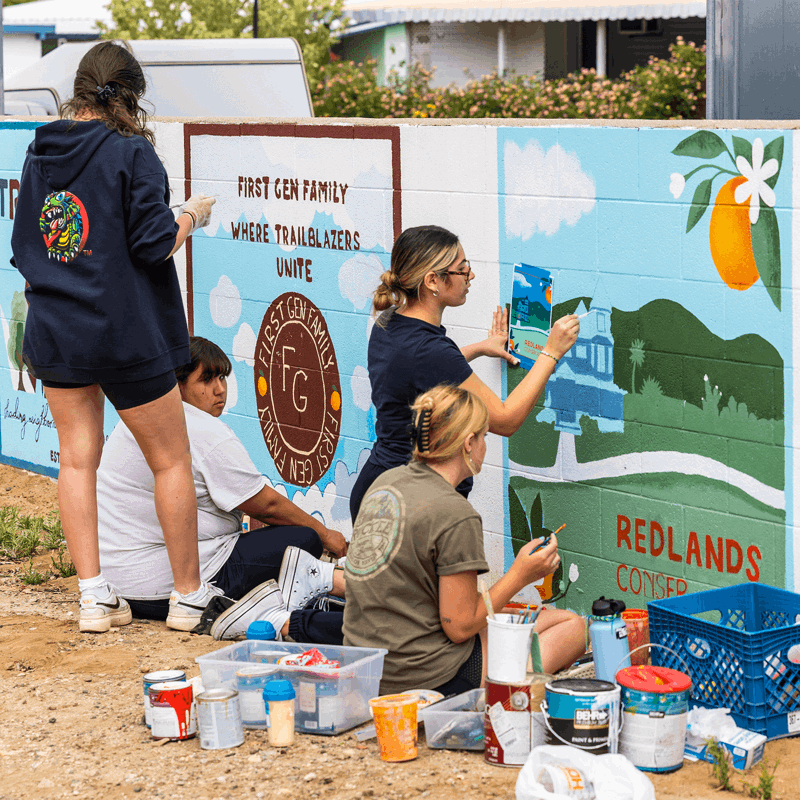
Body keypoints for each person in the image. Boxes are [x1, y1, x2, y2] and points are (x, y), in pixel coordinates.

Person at [10, 41, 217, 633]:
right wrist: (190, 217)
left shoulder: (39, 152)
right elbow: (153, 244)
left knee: (76, 462)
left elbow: (28, 245)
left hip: (58, 328)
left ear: (79, 90)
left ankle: (94, 597)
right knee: (171, 460)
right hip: (127, 332)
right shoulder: (133, 153)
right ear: (132, 95)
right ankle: (187, 598)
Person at [97, 336, 348, 639]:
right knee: (304, 539)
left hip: (119, 589)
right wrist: (327, 535)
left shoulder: (134, 420)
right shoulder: (202, 429)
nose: (220, 389)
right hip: (170, 589)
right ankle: (269, 608)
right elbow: (266, 505)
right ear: (177, 385)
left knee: (265, 538)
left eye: (222, 377)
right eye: (206, 379)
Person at [343, 384, 586, 696]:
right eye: (484, 436)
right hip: (422, 676)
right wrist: (520, 575)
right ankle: (499, 693)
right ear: (468, 443)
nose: (485, 445)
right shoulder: (455, 513)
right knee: (574, 629)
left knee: (552, 618)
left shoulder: (386, 481)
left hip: (367, 666)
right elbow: (459, 627)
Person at [349, 225, 580, 521]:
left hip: (378, 489)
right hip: (409, 508)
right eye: (462, 269)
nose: (470, 275)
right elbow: (506, 419)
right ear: (433, 280)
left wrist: (481, 347)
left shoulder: (389, 322)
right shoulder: (431, 352)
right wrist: (551, 352)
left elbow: (418, 370)